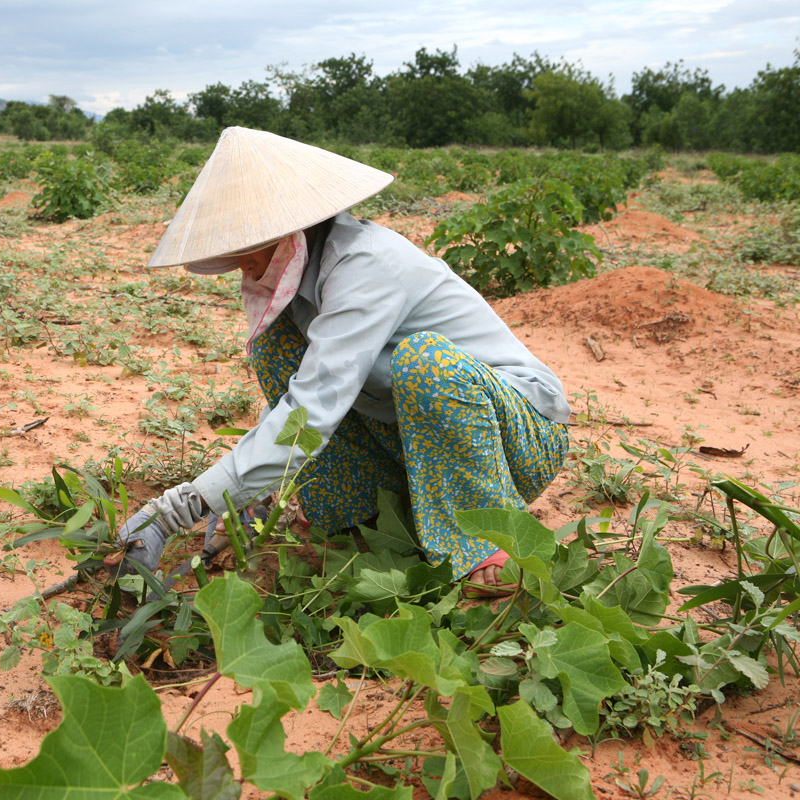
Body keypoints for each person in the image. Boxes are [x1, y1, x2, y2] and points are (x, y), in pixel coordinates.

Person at [104, 127, 571, 594]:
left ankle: (487, 535)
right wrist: (243, 497)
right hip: (416, 445)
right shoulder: (306, 285)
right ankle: (362, 514)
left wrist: (172, 512)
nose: (242, 266)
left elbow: (312, 411)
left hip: (516, 441)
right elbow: (296, 399)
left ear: (289, 233)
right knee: (277, 346)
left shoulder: (366, 266)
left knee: (424, 362)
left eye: (250, 247)